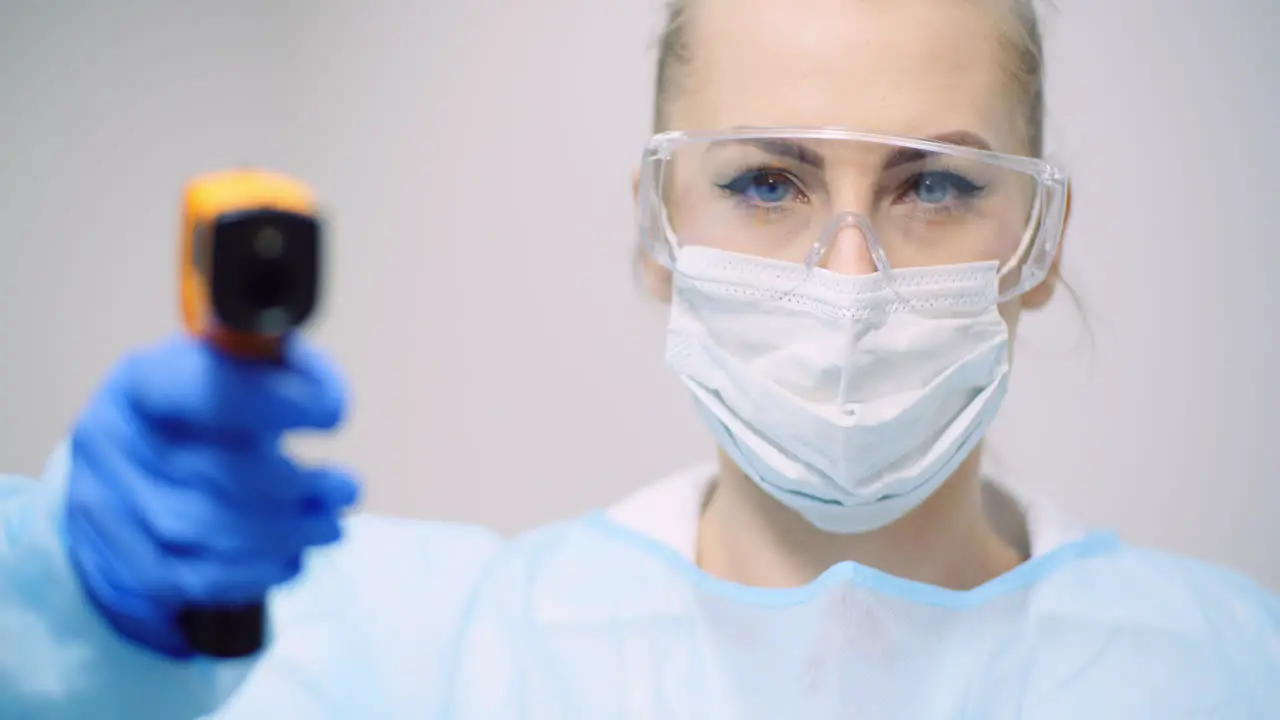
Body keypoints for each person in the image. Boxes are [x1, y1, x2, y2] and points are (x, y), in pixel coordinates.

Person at [3, 0, 1278, 717]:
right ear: (655, 230)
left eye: (935, 183)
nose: (846, 280)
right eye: (766, 181)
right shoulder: (438, 662)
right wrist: (97, 620)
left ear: (1040, 240)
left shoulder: (1226, 673)